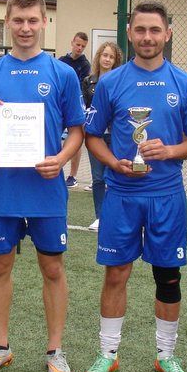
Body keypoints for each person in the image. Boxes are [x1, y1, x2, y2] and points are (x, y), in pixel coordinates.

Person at [0, 0, 85, 372]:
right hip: (2, 191)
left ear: (44, 22)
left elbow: (77, 131)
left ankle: (56, 350)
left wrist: (61, 160)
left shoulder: (62, 74)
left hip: (46, 190)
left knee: (53, 267)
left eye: (33, 20)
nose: (26, 27)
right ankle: (0, 347)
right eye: (18, 20)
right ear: (7, 23)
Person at [82, 2, 187, 372]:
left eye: (155, 30)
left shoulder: (184, 83)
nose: (147, 37)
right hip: (121, 194)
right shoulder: (111, 82)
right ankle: (107, 354)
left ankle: (166, 356)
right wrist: (114, 163)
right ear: (130, 33)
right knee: (116, 273)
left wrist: (169, 151)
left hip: (166, 195)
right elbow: (91, 135)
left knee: (168, 278)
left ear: (168, 33)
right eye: (140, 30)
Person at [81, 42, 124, 231]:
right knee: (98, 178)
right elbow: (83, 107)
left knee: (115, 176)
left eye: (111, 57)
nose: (107, 59)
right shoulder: (88, 81)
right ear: (99, 57)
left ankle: (117, 215)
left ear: (116, 61)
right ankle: (100, 216)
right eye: (105, 55)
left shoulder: (120, 81)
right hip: (96, 136)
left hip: (115, 135)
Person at [59, 32, 90, 188]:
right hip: (59, 104)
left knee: (76, 138)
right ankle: (54, 168)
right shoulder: (61, 61)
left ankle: (73, 175)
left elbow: (83, 87)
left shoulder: (85, 65)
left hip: (76, 106)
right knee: (55, 137)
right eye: (78, 44)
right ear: (72, 43)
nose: (79, 48)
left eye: (83, 46)